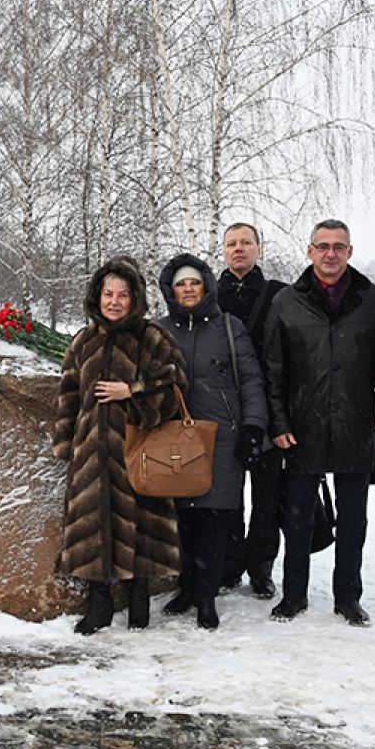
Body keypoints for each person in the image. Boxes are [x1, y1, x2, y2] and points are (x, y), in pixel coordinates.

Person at [264, 219, 375, 625]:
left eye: (339, 246)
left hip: (357, 424)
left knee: (353, 520)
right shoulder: (286, 302)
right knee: (298, 517)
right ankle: (293, 595)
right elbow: (274, 369)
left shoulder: (373, 300)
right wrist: (279, 422)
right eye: (323, 246)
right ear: (309, 251)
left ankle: (348, 597)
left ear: (350, 252)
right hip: (303, 426)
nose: (330, 254)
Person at [51, 256, 187, 635]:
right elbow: (68, 394)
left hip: (139, 448)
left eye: (122, 295)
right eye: (108, 294)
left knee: (140, 520)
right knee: (92, 523)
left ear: (135, 298)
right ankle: (99, 603)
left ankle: (138, 594)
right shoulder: (83, 340)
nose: (114, 301)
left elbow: (175, 388)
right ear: (97, 296)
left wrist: (134, 391)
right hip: (91, 452)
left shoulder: (153, 338)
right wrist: (67, 444)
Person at [157, 254, 268, 629]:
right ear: (170, 290)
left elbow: (251, 379)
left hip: (222, 437)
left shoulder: (228, 327)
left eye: (194, 282)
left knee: (216, 518)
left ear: (205, 286)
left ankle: (207, 596)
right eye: (180, 284)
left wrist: (253, 426)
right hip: (174, 436)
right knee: (183, 517)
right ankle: (187, 586)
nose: (188, 289)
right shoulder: (159, 330)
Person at [216, 223, 288, 599]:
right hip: (224, 412)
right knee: (226, 495)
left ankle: (261, 569)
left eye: (246, 242)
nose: (239, 249)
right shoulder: (209, 296)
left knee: (266, 497)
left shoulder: (280, 295)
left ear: (260, 248)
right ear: (223, 251)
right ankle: (228, 565)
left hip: (270, 410)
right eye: (232, 244)